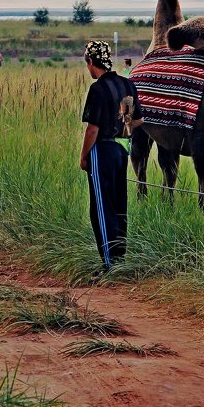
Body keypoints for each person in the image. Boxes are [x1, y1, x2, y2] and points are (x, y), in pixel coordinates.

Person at [78, 40, 140, 274]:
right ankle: (120, 257)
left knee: (101, 207)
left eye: (88, 64)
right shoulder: (128, 84)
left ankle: (109, 263)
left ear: (91, 62)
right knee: (118, 203)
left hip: (102, 150)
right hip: (122, 149)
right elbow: (136, 120)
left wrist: (84, 156)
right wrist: (124, 136)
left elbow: (92, 128)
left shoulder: (97, 89)